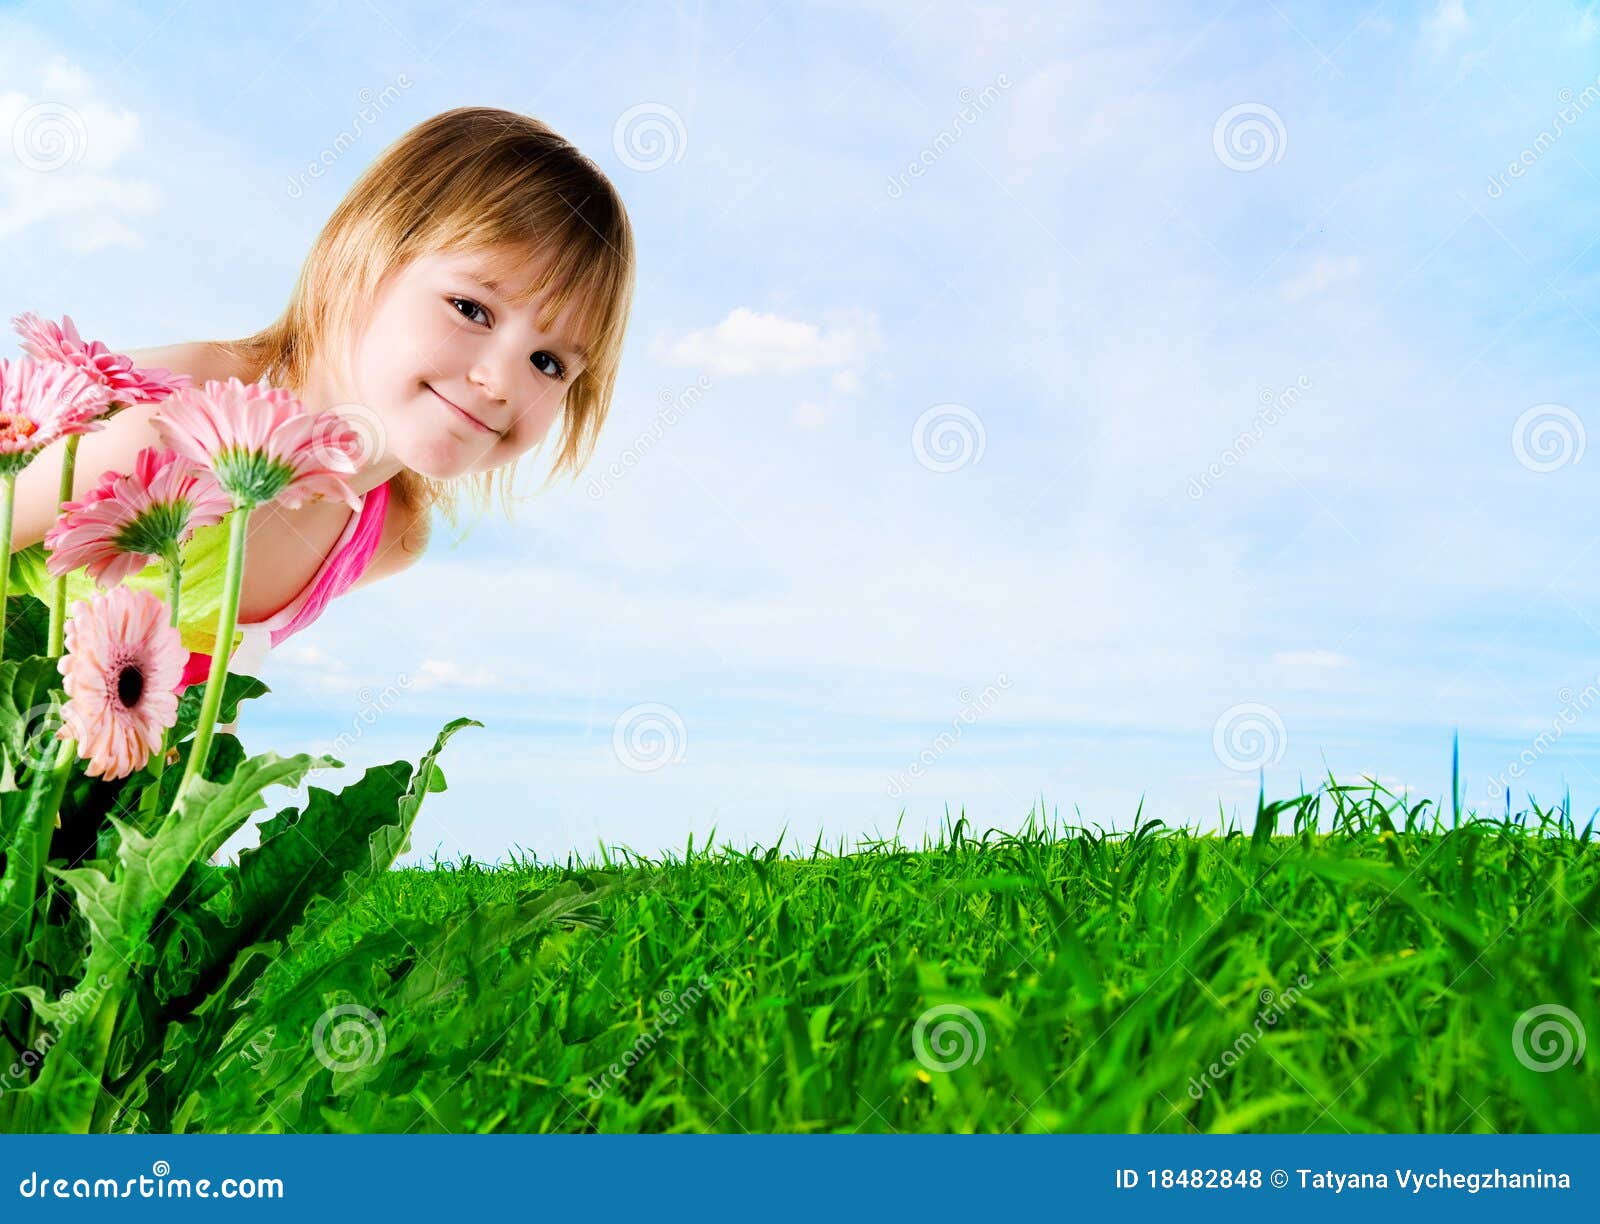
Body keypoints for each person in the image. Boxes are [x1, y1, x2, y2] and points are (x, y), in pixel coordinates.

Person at [6, 106, 637, 732]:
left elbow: (204, 694)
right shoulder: (166, 422)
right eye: (471, 309)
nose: (500, 382)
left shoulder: (388, 536)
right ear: (359, 260)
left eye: (549, 363)